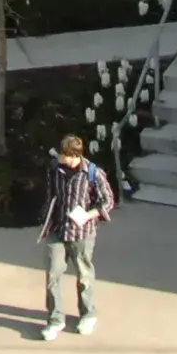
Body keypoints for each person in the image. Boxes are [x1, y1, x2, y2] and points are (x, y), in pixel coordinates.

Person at [39, 131, 116, 338]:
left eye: (63, 155)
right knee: (53, 275)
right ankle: (55, 320)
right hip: (58, 229)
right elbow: (51, 194)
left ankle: (88, 314)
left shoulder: (92, 173)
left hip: (82, 232)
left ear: (74, 155)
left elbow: (108, 201)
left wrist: (89, 214)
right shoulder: (55, 169)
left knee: (84, 276)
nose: (59, 158)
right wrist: (47, 216)